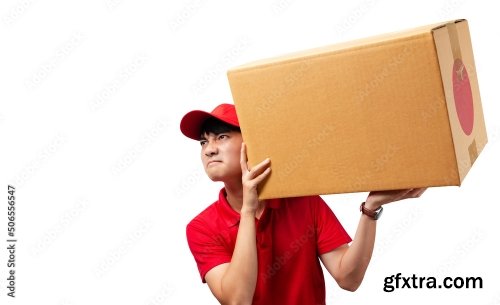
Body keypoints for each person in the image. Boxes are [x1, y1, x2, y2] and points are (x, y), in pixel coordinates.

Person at [180, 103, 426, 305]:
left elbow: (348, 278)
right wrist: (248, 211)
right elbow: (237, 300)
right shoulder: (201, 227)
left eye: (221, 137)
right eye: (203, 142)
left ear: (251, 144)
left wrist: (370, 209)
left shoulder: (304, 203)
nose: (209, 150)